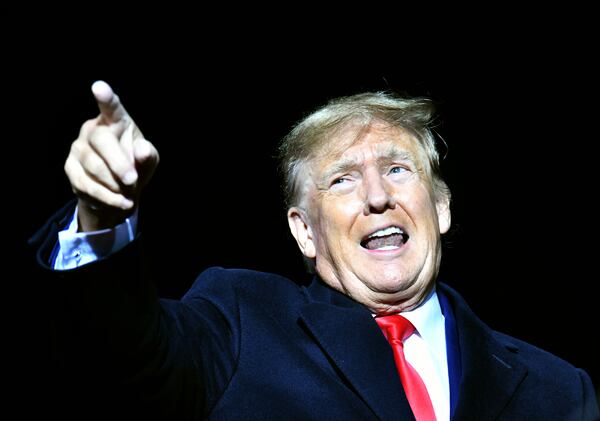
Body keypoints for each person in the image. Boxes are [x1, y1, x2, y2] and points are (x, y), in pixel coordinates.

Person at [29, 80, 599, 420]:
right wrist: (103, 218)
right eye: (344, 180)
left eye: (398, 169)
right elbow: (121, 355)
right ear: (304, 232)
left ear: (442, 207)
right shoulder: (240, 319)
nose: (378, 197)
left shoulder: (559, 389)